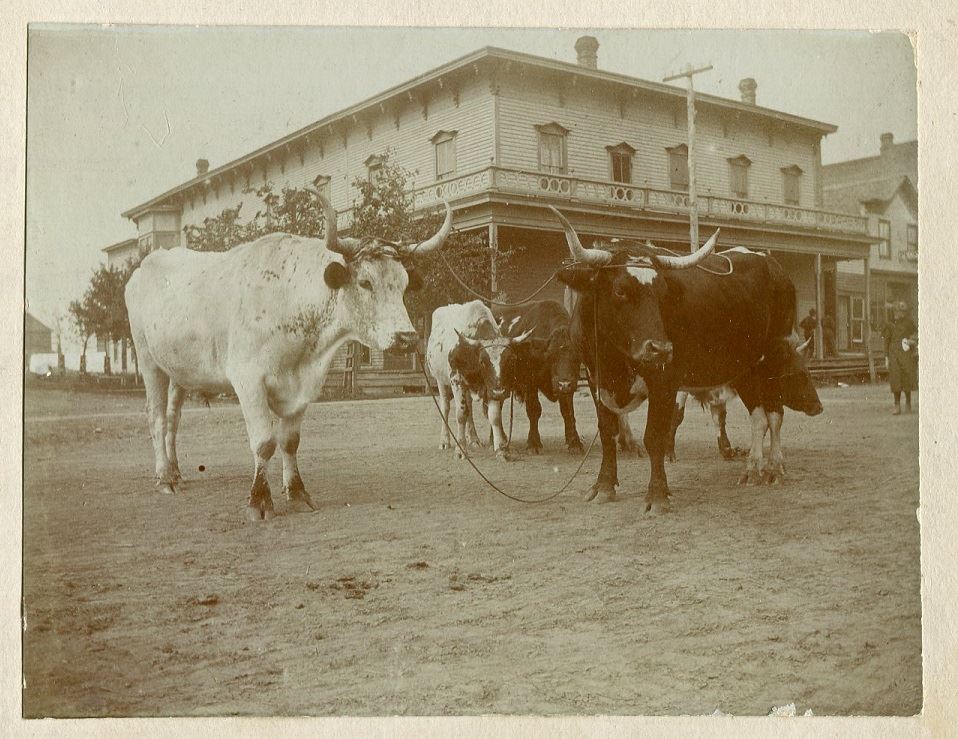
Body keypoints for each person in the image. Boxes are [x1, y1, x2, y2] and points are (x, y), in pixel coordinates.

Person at [882, 301, 918, 414]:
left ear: (905, 312)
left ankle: (908, 403)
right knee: (895, 379)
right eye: (896, 311)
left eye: (901, 311)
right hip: (894, 355)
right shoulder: (890, 324)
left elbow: (916, 335)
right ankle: (897, 405)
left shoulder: (909, 323)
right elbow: (886, 341)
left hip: (906, 354)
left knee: (907, 378)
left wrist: (911, 341)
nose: (898, 313)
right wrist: (886, 357)